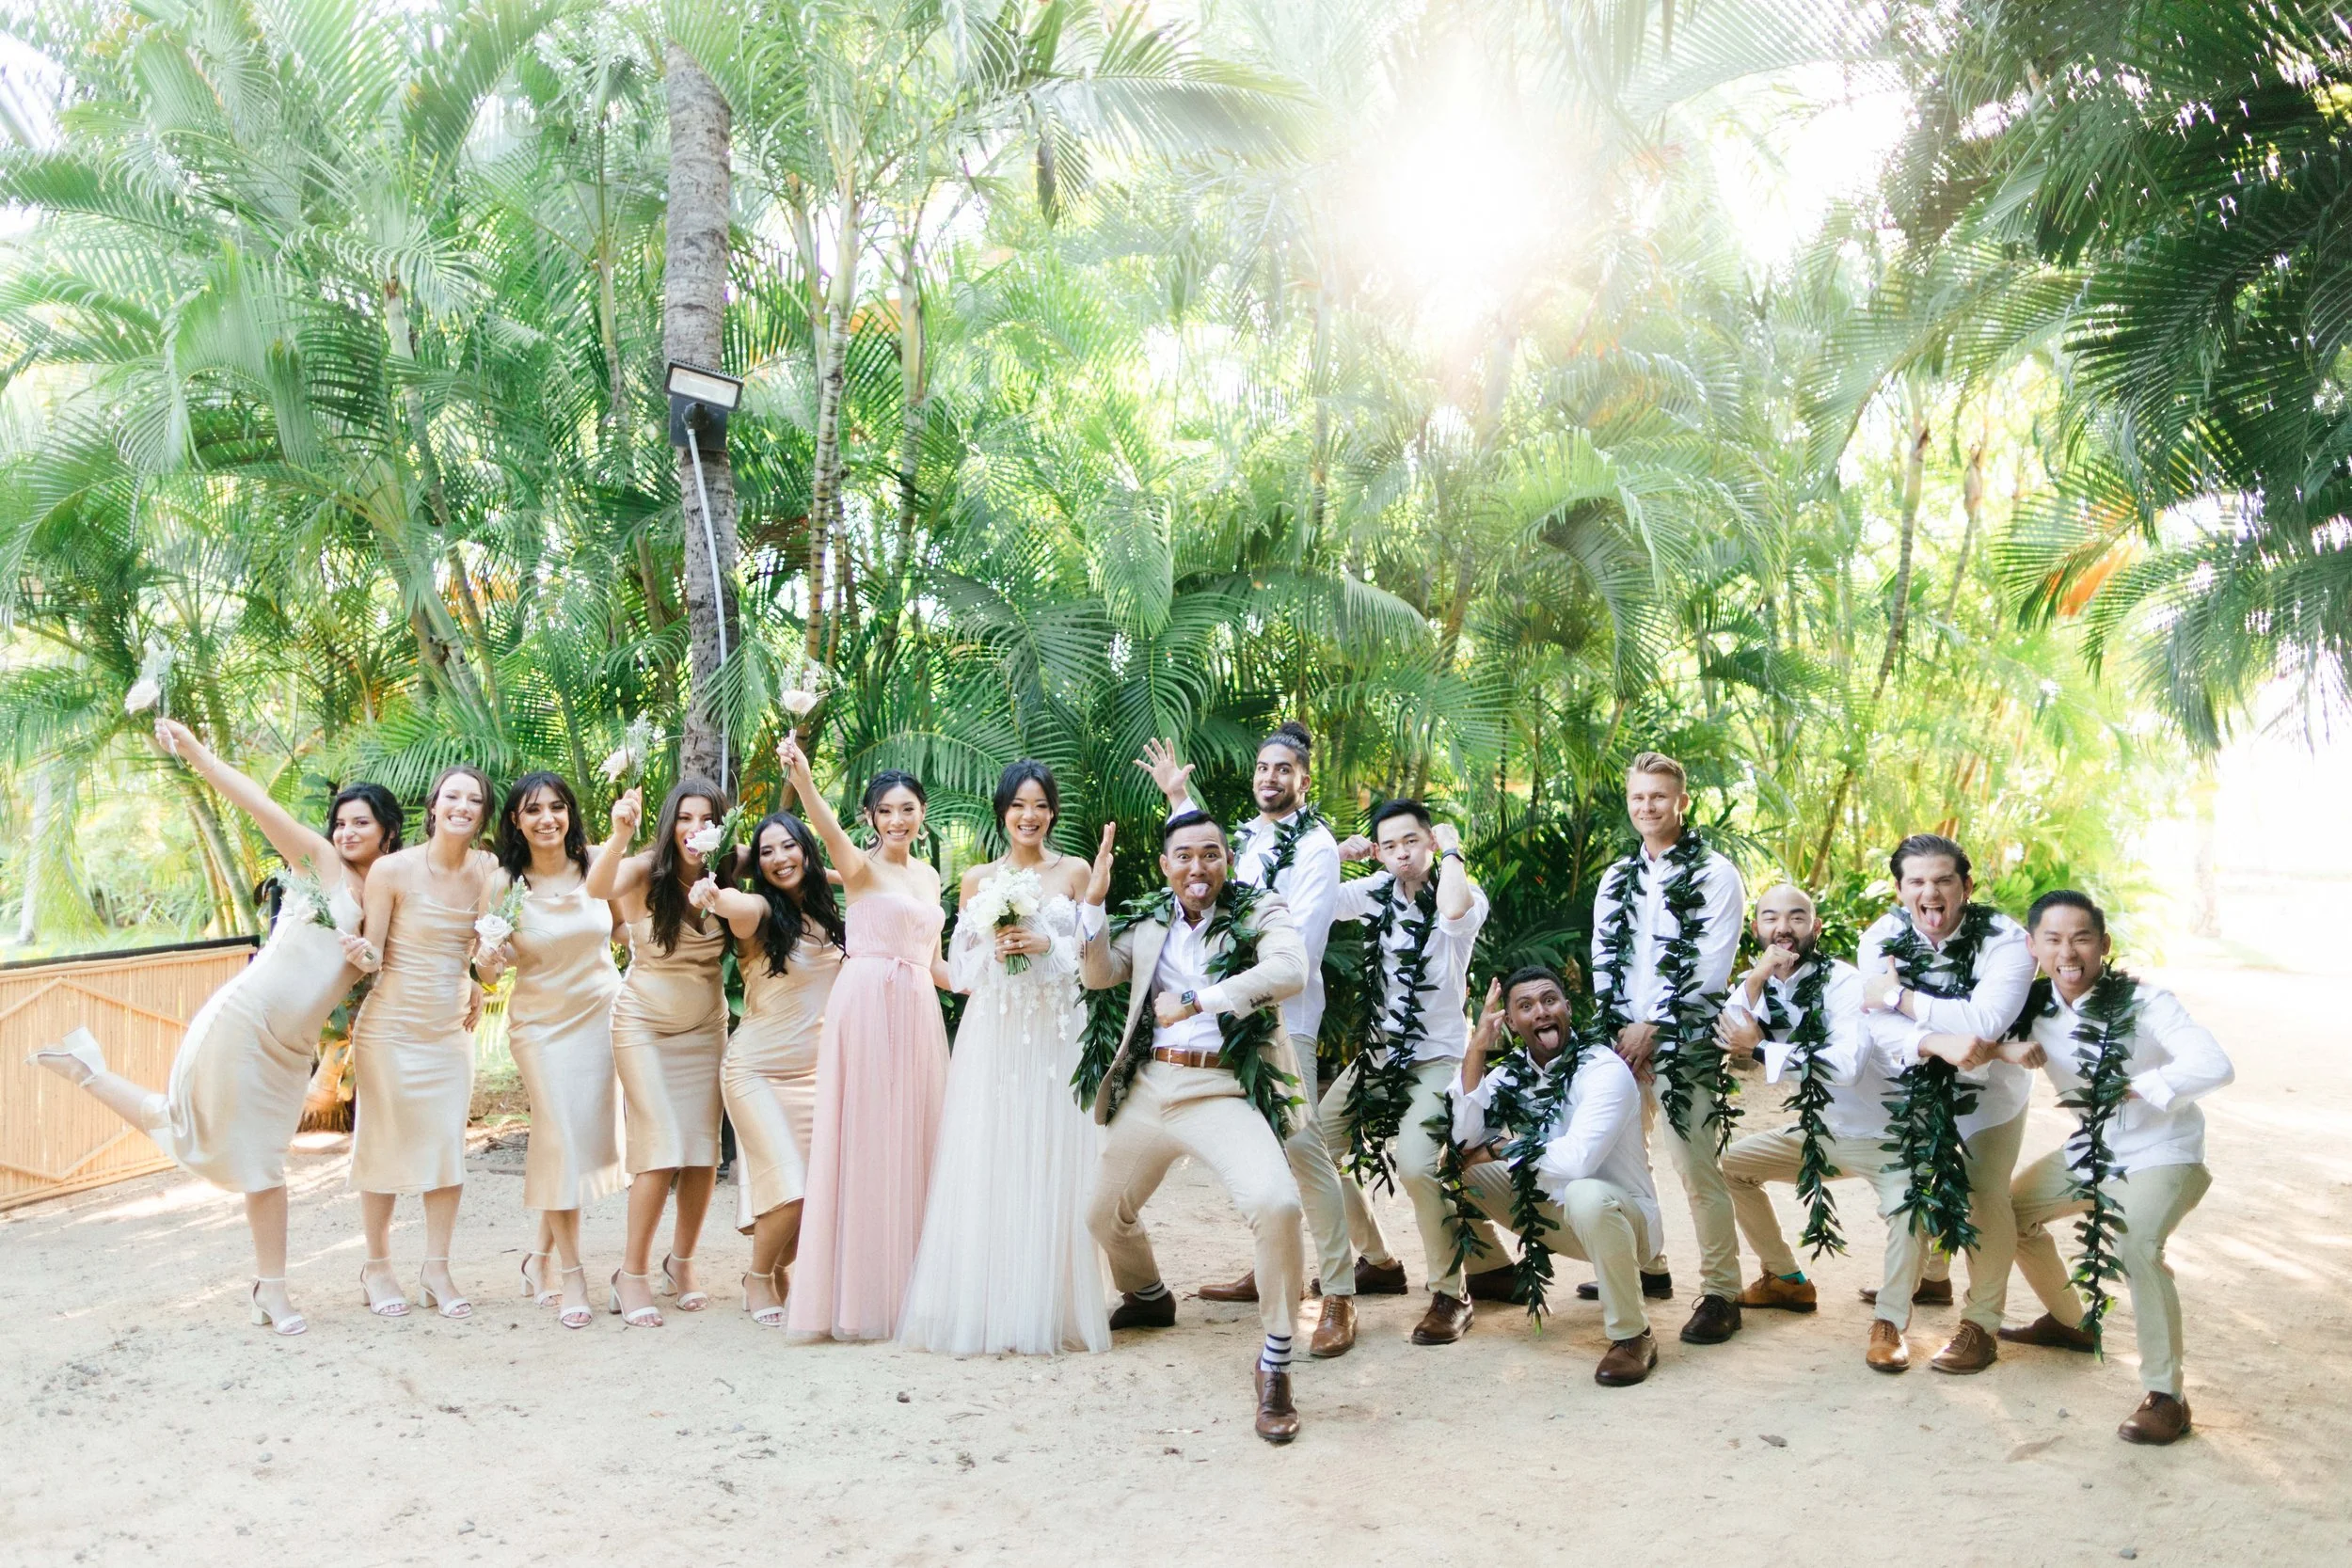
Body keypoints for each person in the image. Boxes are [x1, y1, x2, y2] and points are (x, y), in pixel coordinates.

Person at [28, 719, 398, 1335]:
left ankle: (88, 1070)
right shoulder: (323, 863)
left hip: (291, 1049)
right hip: (243, 1020)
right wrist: (196, 751)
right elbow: (255, 801)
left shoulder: (391, 892)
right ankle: (273, 1292)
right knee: (250, 1160)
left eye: (362, 821)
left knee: (249, 1155)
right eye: (341, 820)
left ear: (387, 830)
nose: (347, 830)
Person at [1136, 725, 1385, 1357]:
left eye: (1283, 769)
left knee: (1302, 1151)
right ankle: (1273, 1268)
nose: (1269, 777)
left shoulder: (1318, 848)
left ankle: (1338, 1293)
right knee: (1259, 1157)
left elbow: (1289, 939)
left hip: (1283, 1021)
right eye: (1262, 767)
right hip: (1222, 1024)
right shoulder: (1243, 837)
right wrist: (1178, 798)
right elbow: (1203, 873)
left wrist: (1208, 986)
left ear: (1304, 780)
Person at [1078, 812, 1311, 1443]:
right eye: (1184, 856)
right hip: (1153, 1085)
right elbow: (1097, 972)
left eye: (1211, 854)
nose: (1198, 867)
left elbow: (1292, 969)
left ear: (1226, 861)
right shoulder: (1151, 919)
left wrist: (1199, 999)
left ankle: (1276, 1360)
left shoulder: (1261, 910)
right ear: (1165, 866)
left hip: (1223, 1085)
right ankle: (1148, 1293)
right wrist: (1093, 906)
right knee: (1101, 1212)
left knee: (1277, 1203)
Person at [1990, 891, 2233, 1445]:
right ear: (2032, 947)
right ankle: (2070, 1322)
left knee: (2135, 1247)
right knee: (2008, 1213)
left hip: (2163, 1150)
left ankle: (2166, 1394)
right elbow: (1970, 1035)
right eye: (2052, 939)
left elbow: (2214, 1064)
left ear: (2104, 944)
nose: (2067, 952)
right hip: (2093, 1149)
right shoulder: (2029, 1007)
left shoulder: (2147, 1002)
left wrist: (2139, 1086)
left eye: (2081, 937)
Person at [1717, 884, 1984, 1369]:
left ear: (1815, 928)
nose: (1783, 928)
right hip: (1823, 1133)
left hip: (1888, 1135)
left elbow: (1845, 1068)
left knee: (1908, 1214)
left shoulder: (1845, 985)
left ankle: (1889, 1322)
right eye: (1771, 918)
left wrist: (1760, 1049)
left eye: (1797, 918)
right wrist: (1756, 978)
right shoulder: (1762, 980)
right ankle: (1785, 1280)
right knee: (1732, 1166)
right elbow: (1731, 1030)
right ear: (1755, 930)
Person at [898, 760, 1110, 1355]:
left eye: (1040, 804)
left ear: (1053, 811)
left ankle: (1052, 1306)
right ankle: (989, 1305)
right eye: (1018, 805)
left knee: (1050, 1154)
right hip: (993, 1032)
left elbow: (1098, 959)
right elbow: (961, 972)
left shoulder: (1074, 871)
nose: (1029, 815)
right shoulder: (976, 879)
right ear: (1002, 812)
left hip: (1055, 1033)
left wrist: (1051, 942)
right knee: (991, 1155)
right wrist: (996, 948)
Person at [781, 738, 954, 1341]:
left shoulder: (932, 877)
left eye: (908, 809)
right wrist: (803, 779)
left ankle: (914, 1286)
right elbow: (824, 830)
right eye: (886, 811)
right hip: (867, 1001)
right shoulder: (858, 866)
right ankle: (859, 1298)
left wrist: (998, 985)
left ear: (922, 813)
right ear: (871, 817)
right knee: (868, 1137)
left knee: (916, 1135)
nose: (898, 820)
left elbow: (938, 965)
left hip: (918, 1007)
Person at [1321, 799, 1506, 1346]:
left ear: (1429, 842)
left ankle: (1452, 1294)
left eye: (1412, 841)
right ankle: (1377, 1260)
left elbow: (1452, 911)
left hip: (1436, 1060)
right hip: (1378, 1058)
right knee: (1314, 1149)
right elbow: (1306, 903)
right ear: (1377, 852)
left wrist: (1451, 850)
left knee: (1420, 1167)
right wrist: (1333, 855)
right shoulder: (1374, 892)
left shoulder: (1463, 892)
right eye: (1390, 845)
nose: (1402, 854)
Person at [1584, 752, 1747, 1344]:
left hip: (1685, 1040)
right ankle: (1647, 1268)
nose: (1647, 806)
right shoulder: (1614, 877)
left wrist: (1654, 1025)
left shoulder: (1715, 874)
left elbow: (1710, 965)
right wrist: (1619, 1028)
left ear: (1682, 801)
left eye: (1659, 796)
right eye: (1637, 797)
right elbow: (1605, 955)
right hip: (1621, 1043)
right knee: (1624, 1157)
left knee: (1694, 1163)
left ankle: (1723, 1291)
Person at [1857, 833, 2035, 1373]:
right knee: (1916, 1183)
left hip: (1991, 1092)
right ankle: (1928, 1283)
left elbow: (1985, 1024)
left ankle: (1981, 1324)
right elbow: (1879, 1029)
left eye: (1942, 880)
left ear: (1967, 887)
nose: (1929, 893)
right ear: (1899, 890)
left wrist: (1896, 995)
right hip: (1914, 1079)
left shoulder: (2006, 941)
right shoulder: (1881, 937)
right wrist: (1933, 1040)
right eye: (1916, 881)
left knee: (1984, 1195)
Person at [1447, 969, 1663, 1386]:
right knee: (1451, 1169)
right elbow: (1463, 1140)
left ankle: (1634, 1335)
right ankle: (1492, 1270)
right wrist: (1476, 1051)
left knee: (1584, 1192)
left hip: (1625, 1225)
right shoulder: (1512, 1074)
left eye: (1550, 1001)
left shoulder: (1603, 1069)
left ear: (1567, 1007)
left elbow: (1579, 1159)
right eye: (1525, 1007)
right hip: (1555, 1215)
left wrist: (1499, 1149)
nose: (1541, 1013)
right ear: (1510, 1023)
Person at [343, 764, 500, 1321]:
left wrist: (486, 976)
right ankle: (377, 1266)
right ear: (434, 806)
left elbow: (486, 958)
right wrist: (355, 954)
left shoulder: (490, 870)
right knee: (381, 1146)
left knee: (444, 1150)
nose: (462, 806)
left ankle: (436, 1268)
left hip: (447, 1030)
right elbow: (373, 955)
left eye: (474, 800)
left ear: (483, 814)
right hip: (389, 1028)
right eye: (452, 796)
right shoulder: (391, 870)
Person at [474, 772, 623, 1330]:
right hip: (540, 1025)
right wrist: (486, 962)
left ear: (570, 814)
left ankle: (537, 1257)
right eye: (533, 810)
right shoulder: (505, 883)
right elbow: (493, 964)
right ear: (515, 820)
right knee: (558, 1133)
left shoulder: (597, 866)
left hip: (600, 1017)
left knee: (574, 1143)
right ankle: (572, 1273)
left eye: (557, 808)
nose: (547, 819)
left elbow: (627, 932)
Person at [584, 778, 733, 1327]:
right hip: (644, 1024)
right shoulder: (646, 869)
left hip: (705, 1026)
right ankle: (632, 1273)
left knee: (703, 1154)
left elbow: (799, 865)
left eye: (706, 818)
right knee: (663, 1145)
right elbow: (598, 887)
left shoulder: (732, 864)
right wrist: (621, 833)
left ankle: (682, 1262)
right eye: (684, 818)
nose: (695, 830)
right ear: (670, 822)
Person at [695, 809, 846, 1327]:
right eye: (766, 851)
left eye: (789, 846)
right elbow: (734, 900)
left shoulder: (830, 918)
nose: (779, 859)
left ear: (807, 848)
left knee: (812, 1203)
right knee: (793, 1187)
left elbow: (866, 875)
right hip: (756, 1071)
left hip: (815, 1076)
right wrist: (721, 889)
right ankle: (758, 1278)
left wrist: (819, 870)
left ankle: (776, 1268)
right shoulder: (757, 911)